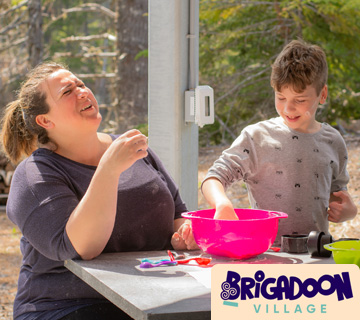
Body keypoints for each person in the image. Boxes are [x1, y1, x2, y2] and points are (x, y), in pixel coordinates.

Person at [1, 62, 197, 320]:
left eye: (80, 84)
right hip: (68, 308)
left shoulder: (132, 150)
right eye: (67, 92)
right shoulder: (33, 175)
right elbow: (82, 247)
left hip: (159, 296)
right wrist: (109, 169)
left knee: (247, 307)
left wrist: (188, 234)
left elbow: (179, 216)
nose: (82, 92)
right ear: (45, 120)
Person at [201, 39, 357, 245]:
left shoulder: (333, 141)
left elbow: (338, 197)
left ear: (323, 94)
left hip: (317, 255)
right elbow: (214, 178)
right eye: (280, 97)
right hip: (266, 253)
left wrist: (349, 211)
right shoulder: (256, 136)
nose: (288, 109)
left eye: (300, 100)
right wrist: (221, 204)